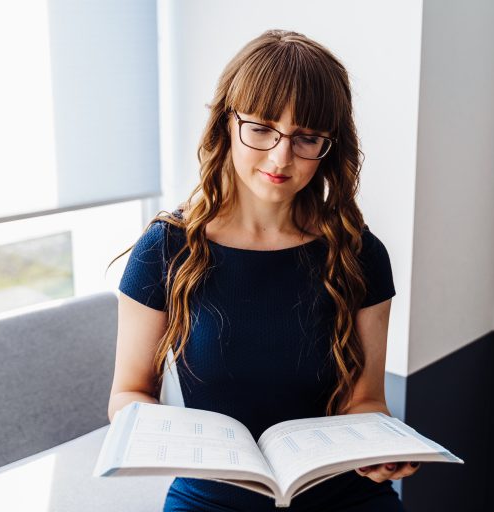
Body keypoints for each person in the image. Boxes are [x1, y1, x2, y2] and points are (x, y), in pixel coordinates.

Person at [106, 29, 420, 511]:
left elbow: (366, 401)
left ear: (329, 146)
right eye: (261, 128)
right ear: (226, 124)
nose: (281, 157)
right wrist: (173, 440)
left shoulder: (361, 255)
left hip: (344, 498)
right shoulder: (165, 248)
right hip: (211, 497)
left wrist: (379, 449)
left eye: (306, 138)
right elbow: (128, 393)